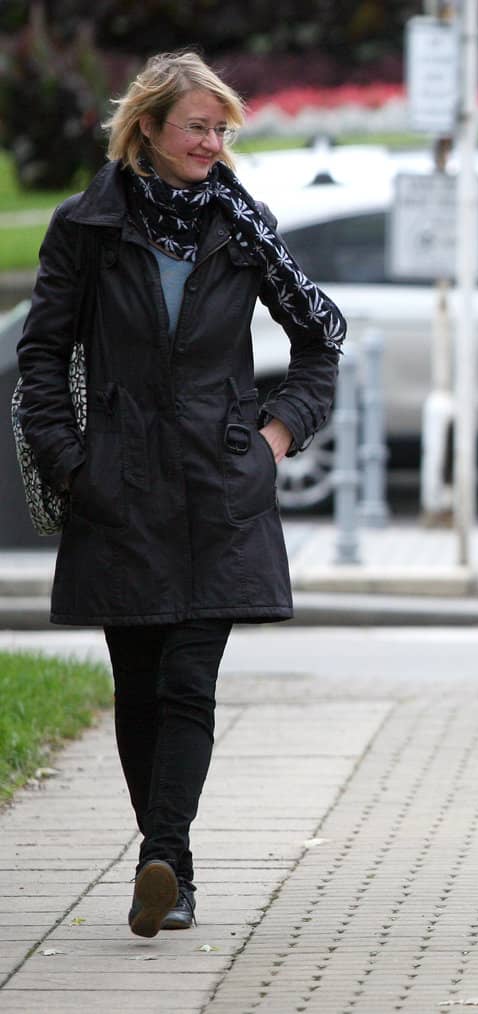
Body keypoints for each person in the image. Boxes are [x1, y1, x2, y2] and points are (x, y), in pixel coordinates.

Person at [13, 51, 343, 937]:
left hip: (221, 487)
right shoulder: (87, 226)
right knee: (141, 684)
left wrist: (273, 441)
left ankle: (165, 858)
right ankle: (170, 858)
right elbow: (40, 355)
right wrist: (69, 461)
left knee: (190, 681)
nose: (212, 142)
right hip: (117, 487)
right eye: (196, 126)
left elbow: (319, 343)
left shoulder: (243, 224)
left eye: (222, 127)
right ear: (148, 130)